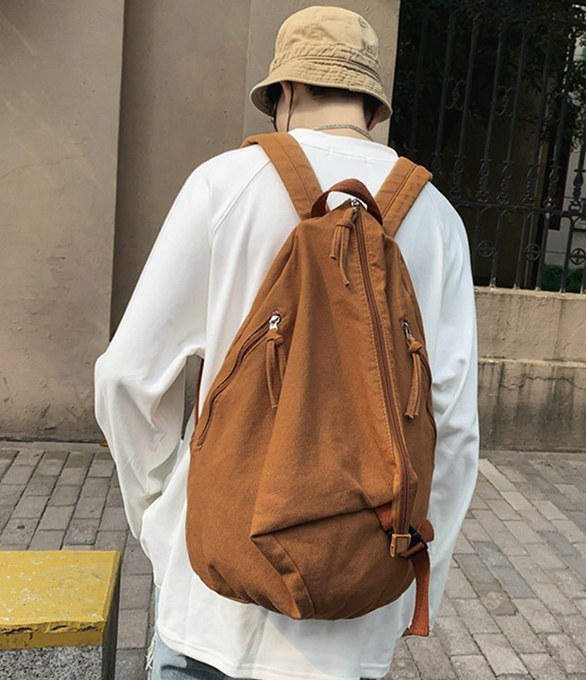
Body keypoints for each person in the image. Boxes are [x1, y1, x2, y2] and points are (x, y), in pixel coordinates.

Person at [94, 5, 479, 680]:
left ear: (286, 91)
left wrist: (160, 517)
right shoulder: (438, 220)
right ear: (372, 107)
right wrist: (418, 583)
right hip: (354, 615)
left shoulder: (224, 184)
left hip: (210, 610)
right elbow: (454, 431)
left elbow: (127, 376)